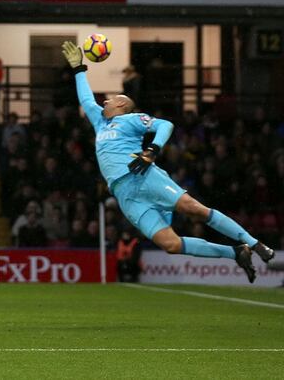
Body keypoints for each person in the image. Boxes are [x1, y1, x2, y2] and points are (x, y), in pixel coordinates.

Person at [61, 41, 275, 283]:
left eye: (110, 100)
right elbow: (86, 101)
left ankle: (255, 243)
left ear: (121, 104)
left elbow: (165, 125)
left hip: (142, 176)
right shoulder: (100, 123)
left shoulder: (131, 119)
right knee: (171, 244)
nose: (105, 102)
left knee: (195, 209)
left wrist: (152, 150)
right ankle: (235, 252)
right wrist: (79, 69)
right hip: (126, 197)